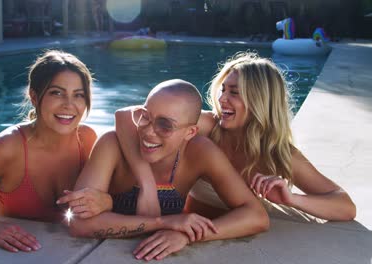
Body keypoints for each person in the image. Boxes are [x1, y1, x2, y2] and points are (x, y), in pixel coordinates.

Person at [115, 52, 356, 222]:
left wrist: (292, 199)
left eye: (234, 92)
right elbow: (126, 116)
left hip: (232, 233)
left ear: (260, 100)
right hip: (186, 224)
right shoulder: (209, 126)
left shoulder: (279, 154)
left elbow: (345, 206)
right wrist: (147, 185)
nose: (221, 99)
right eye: (223, 90)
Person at [58, 79, 268, 261]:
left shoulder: (199, 152)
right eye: (145, 116)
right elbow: (78, 224)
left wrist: (188, 235)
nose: (148, 132)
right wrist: (162, 222)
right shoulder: (112, 145)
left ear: (190, 132)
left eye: (165, 125)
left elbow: (256, 216)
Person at [0, 50, 110, 252]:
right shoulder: (9, 147)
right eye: (57, 92)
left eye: (78, 95)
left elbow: (114, 199)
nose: (69, 105)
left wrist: (106, 202)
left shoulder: (88, 139)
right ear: (34, 96)